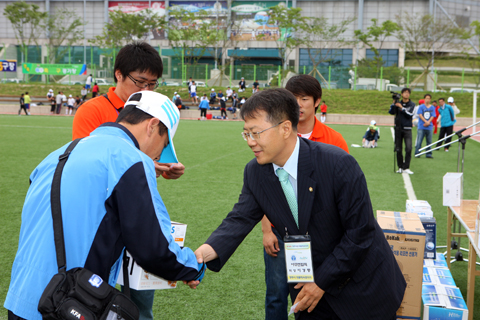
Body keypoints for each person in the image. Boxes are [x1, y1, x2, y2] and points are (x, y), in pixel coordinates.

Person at [194, 88, 406, 320]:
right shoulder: (255, 172)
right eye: (246, 134)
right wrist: (202, 255)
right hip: (306, 289)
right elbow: (239, 219)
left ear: (285, 128)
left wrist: (321, 282)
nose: (250, 142)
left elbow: (360, 234)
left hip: (361, 289)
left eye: (256, 133)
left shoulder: (337, 164)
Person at [4, 91, 205, 320]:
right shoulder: (131, 159)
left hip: (22, 299)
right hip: (68, 303)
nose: (159, 155)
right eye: (165, 142)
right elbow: (154, 248)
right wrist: (193, 266)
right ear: (153, 125)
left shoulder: (59, 153)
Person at [72, 42, 185, 320]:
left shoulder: (155, 113)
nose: (146, 90)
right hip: (102, 220)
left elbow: (155, 158)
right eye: (140, 81)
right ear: (118, 75)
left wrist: (164, 168)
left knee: (140, 305)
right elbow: (84, 163)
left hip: (138, 216)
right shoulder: (92, 110)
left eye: (153, 84)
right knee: (93, 296)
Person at [261, 74, 349, 320]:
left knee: (314, 298)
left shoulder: (334, 141)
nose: (298, 104)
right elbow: (267, 188)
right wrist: (267, 230)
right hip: (281, 231)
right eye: (293, 98)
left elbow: (343, 193)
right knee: (276, 295)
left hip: (320, 235)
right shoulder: (276, 137)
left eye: (305, 98)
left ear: (317, 101)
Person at [389, 88, 415, 174]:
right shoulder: (397, 103)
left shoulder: (412, 104)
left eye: (408, 93)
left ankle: (406, 167)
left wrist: (402, 108)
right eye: (405, 93)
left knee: (408, 148)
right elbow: (391, 112)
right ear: (402, 94)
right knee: (398, 149)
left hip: (407, 129)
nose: (406, 94)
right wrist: (393, 104)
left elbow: (410, 114)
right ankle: (400, 167)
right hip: (398, 129)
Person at [414, 94, 436, 159]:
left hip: (429, 126)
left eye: (429, 98)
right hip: (421, 126)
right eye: (426, 98)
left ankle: (428, 153)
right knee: (419, 140)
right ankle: (417, 153)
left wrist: (428, 122)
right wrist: (425, 121)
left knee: (429, 141)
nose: (427, 100)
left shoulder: (432, 107)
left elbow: (433, 116)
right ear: (424, 99)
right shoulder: (421, 107)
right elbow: (420, 115)